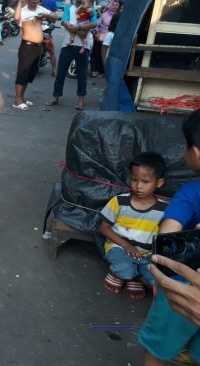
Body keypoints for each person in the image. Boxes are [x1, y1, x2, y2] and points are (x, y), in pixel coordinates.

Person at [139, 110, 200, 366]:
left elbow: (167, 236)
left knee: (158, 349)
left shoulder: (191, 193)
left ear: (195, 153)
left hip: (181, 289)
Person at [99, 152, 167, 300]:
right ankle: (126, 276)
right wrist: (127, 246)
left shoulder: (164, 209)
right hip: (118, 248)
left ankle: (133, 277)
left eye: (145, 181)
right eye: (134, 180)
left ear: (159, 183)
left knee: (156, 280)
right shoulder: (119, 202)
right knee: (125, 269)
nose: (138, 186)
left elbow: (165, 238)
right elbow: (103, 228)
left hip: (145, 255)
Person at [45, 0, 97, 110]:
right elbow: (64, 21)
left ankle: (81, 99)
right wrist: (80, 30)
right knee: (61, 73)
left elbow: (94, 23)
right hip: (67, 45)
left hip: (84, 47)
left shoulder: (91, 8)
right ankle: (56, 96)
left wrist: (76, 28)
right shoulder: (69, 7)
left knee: (82, 75)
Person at [12, 0, 58, 110]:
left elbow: (55, 17)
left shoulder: (40, 9)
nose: (34, 1)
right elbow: (16, 18)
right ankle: (17, 100)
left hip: (38, 47)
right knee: (22, 74)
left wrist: (45, 15)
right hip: (27, 46)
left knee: (29, 74)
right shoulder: (23, 11)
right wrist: (20, 2)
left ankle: (22, 98)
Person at [92, 0, 118, 76]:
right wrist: (96, 33)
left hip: (113, 36)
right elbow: (97, 25)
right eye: (113, 5)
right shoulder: (104, 15)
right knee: (97, 48)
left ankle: (105, 70)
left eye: (116, 5)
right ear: (110, 6)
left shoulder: (119, 15)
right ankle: (97, 69)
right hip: (102, 36)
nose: (115, 6)